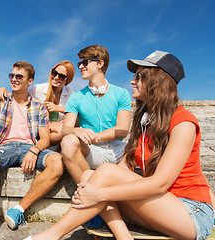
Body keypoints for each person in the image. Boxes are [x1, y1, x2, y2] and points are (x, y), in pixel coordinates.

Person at [25, 50, 214, 240]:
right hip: (158, 207)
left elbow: (160, 184)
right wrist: (92, 187)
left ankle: (50, 235)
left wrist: (99, 194)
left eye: (139, 76)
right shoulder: (145, 121)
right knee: (91, 175)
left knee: (104, 175)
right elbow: (124, 167)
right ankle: (124, 237)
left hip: (190, 213)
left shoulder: (183, 122)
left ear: (158, 81)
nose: (132, 81)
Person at [0, 61, 64, 240]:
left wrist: (34, 150)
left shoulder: (39, 106)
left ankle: (18, 209)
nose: (14, 79)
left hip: (30, 146)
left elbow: (45, 138)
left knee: (57, 161)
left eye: (19, 77)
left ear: (30, 81)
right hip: (5, 148)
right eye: (12, 76)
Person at [61, 45, 132, 184]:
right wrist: (77, 130)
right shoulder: (76, 97)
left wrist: (93, 136)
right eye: (79, 63)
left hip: (118, 150)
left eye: (85, 62)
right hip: (92, 152)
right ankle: (87, 189)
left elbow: (123, 130)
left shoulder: (121, 93)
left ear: (100, 63)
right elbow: (65, 129)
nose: (80, 66)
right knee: (68, 141)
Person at [0, 60, 75, 146]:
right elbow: (19, 96)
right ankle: (38, 142)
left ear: (68, 80)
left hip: (52, 127)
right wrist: (3, 90)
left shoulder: (69, 92)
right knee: (62, 130)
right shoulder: (37, 89)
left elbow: (78, 111)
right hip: (37, 125)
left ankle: (42, 143)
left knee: (69, 126)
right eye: (54, 73)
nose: (56, 77)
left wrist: (58, 108)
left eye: (61, 76)